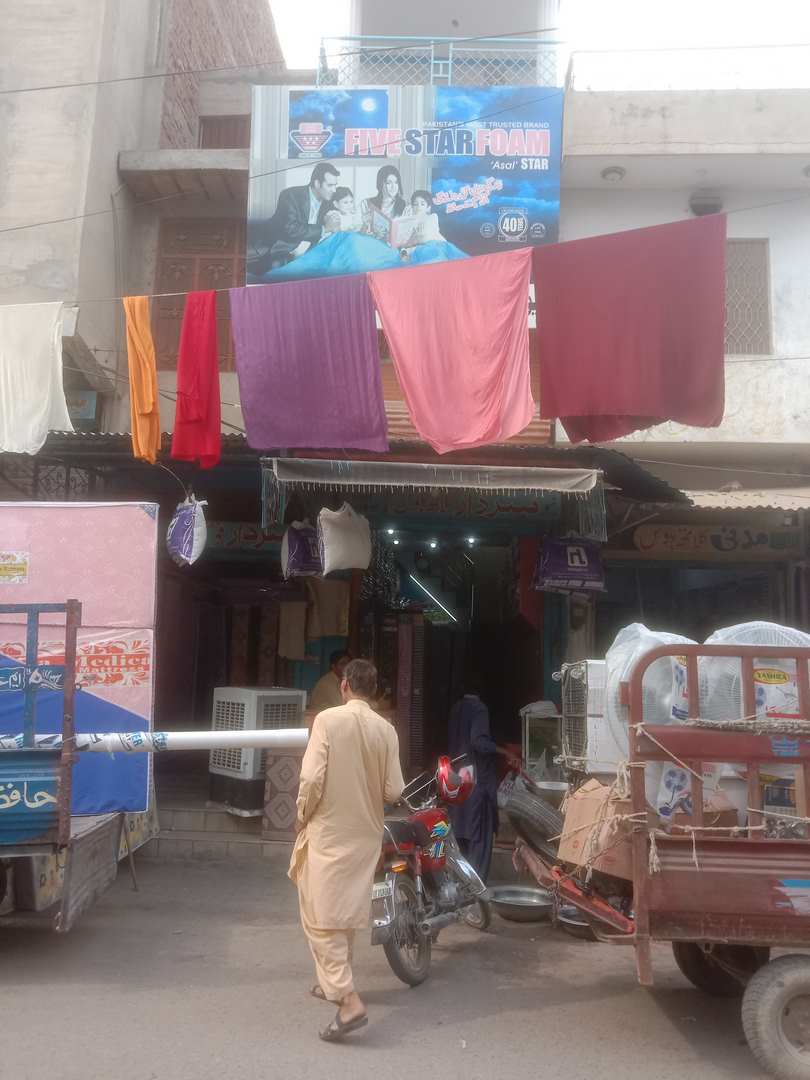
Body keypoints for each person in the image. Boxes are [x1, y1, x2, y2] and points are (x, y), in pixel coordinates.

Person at [289, 659, 405, 1042]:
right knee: (341, 912)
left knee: (320, 917)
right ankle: (333, 984)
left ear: (344, 687)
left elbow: (311, 778)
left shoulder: (327, 721)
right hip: (365, 835)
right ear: (374, 691)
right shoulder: (386, 730)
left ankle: (348, 1000)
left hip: (330, 832)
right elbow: (394, 791)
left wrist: (302, 815)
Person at [247, 162, 340, 278]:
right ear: (317, 183)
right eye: (330, 185)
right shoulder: (291, 195)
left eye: (335, 185)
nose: (334, 190)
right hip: (281, 248)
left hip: (310, 253)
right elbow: (291, 229)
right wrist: (324, 228)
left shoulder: (330, 203)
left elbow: (333, 230)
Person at [447, 679, 499, 882]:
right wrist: (502, 750)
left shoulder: (455, 709)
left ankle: (461, 885)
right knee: (479, 838)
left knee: (460, 835)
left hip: (457, 781)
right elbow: (479, 742)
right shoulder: (479, 709)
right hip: (477, 784)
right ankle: (476, 889)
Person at [400, 189, 470, 265]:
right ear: (412, 207)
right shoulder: (409, 224)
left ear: (428, 208)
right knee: (406, 259)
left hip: (436, 246)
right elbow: (403, 244)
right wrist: (404, 251)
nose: (418, 207)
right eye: (415, 204)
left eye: (422, 204)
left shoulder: (432, 217)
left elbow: (425, 237)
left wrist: (410, 241)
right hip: (417, 250)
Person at [362, 165, 407, 239]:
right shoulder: (366, 204)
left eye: (396, 182)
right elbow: (360, 230)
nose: (393, 187)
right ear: (380, 184)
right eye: (389, 183)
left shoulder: (405, 206)